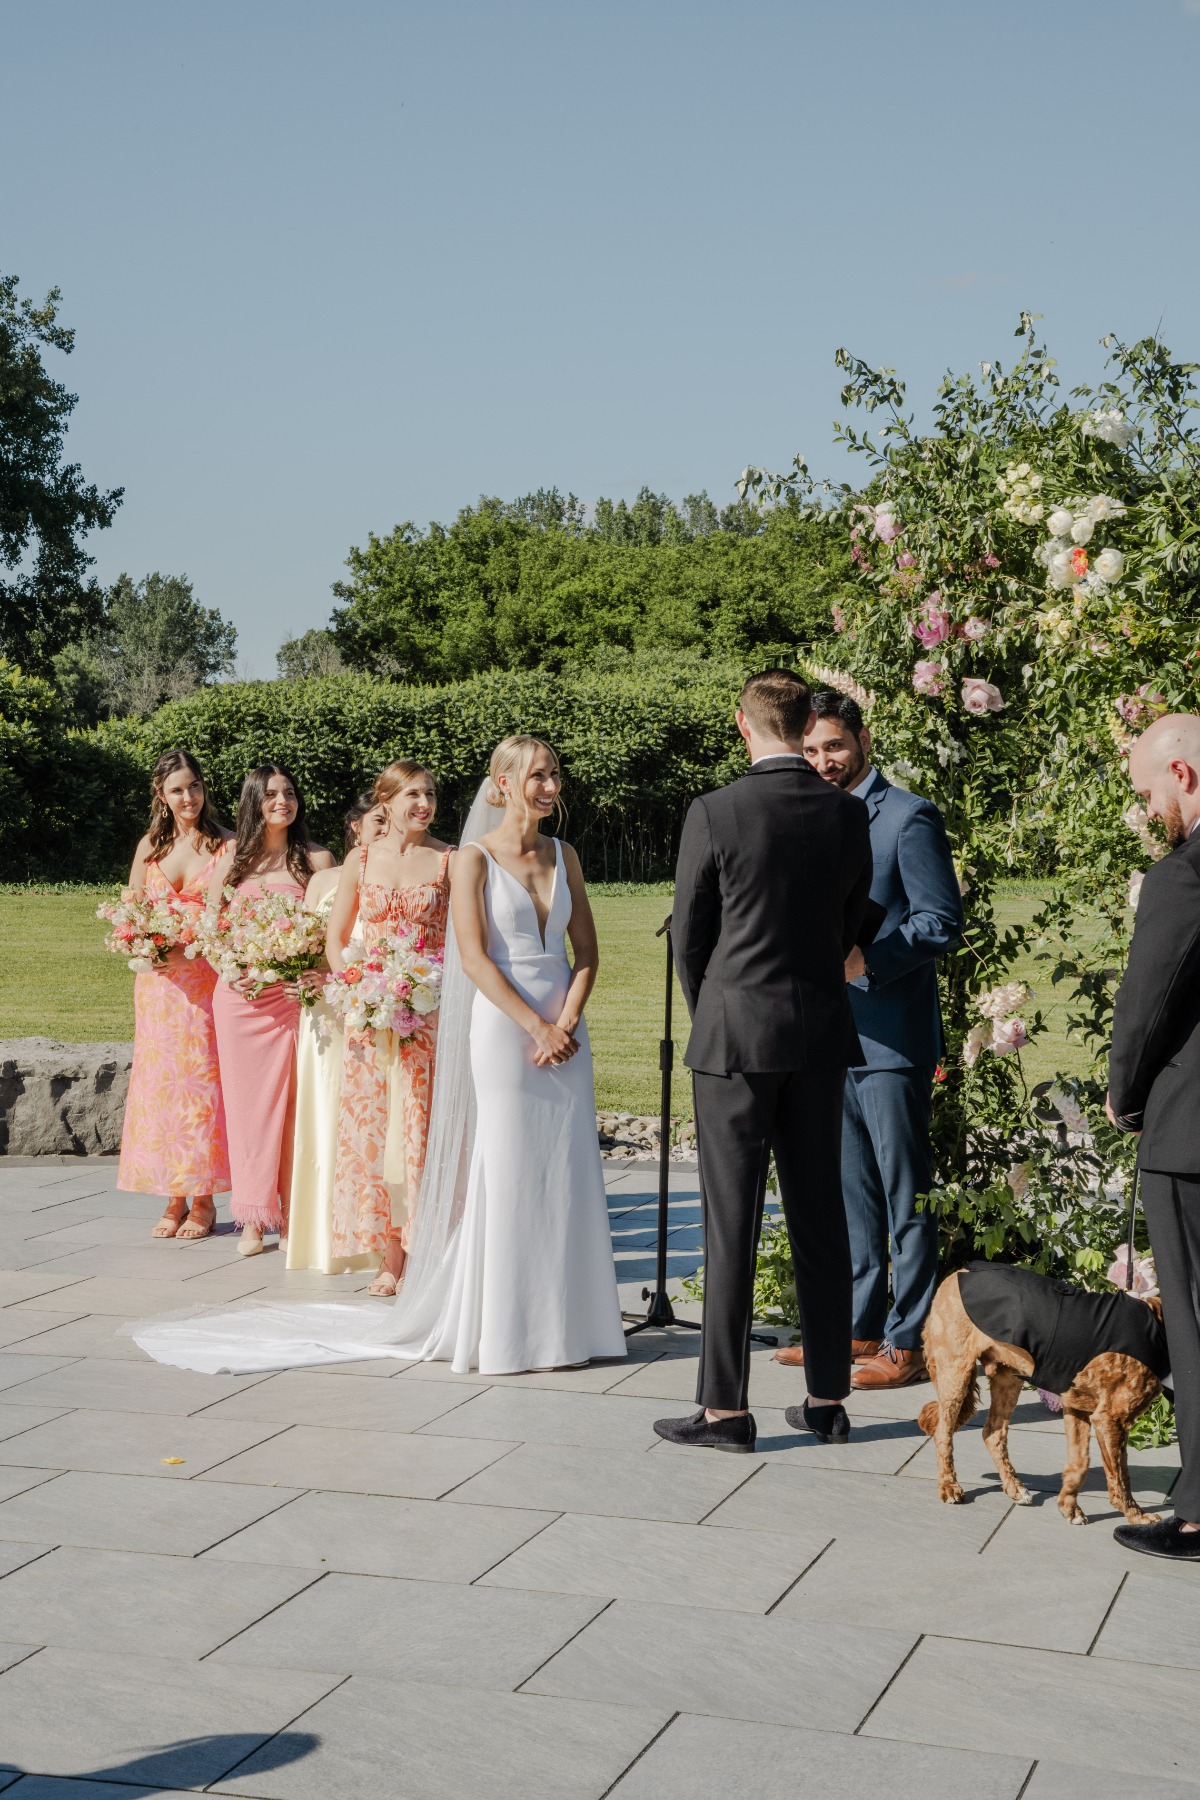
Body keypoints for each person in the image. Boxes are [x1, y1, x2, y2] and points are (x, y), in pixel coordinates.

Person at [126, 736, 626, 1377]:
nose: (551, 785)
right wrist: (367, 989)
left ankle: (561, 1307)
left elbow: (575, 948)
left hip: (484, 1018)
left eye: (555, 774)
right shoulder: (399, 862)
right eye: (538, 775)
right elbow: (364, 943)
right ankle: (430, 1276)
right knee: (410, 1145)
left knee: (510, 1155)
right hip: (420, 1017)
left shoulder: (479, 860)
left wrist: (563, 1018)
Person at [654, 670, 872, 1454]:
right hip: (818, 1035)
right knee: (820, 1219)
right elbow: (853, 920)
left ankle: (725, 1411)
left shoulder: (715, 810)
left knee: (730, 1222)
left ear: (744, 725)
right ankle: (826, 1399)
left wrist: (713, 1006)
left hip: (735, 1038)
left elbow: (691, 934)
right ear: (806, 720)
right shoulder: (849, 815)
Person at [777, 689, 963, 1390]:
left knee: (904, 1194)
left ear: (862, 739)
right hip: (824, 1036)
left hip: (889, 1036)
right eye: (812, 750)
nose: (824, 761)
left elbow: (942, 920)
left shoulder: (909, 816)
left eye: (835, 746)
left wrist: (869, 959)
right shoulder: (805, 817)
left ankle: (909, 1342)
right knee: (849, 1193)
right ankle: (856, 1328)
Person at [1107, 712, 1200, 1562]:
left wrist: (1122, 1094)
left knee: (1198, 1319)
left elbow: (1147, 1002)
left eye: (1150, 792)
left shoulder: (1187, 873)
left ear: (1187, 776)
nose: (1150, 811)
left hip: (1192, 1132)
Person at [327, 762, 454, 1295]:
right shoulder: (360, 860)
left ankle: (427, 1249)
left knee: (421, 1134)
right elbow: (336, 941)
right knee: (376, 1135)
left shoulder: (450, 860)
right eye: (412, 795)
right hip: (370, 1020)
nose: (423, 804)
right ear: (386, 800)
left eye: (429, 794)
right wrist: (361, 992)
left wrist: (426, 992)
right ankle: (389, 1252)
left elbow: (465, 942)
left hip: (429, 1017)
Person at [207, 765, 335, 1256]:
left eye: (290, 793)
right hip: (240, 1003)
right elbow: (212, 932)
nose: (283, 800)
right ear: (253, 801)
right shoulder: (232, 863)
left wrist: (318, 970)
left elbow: (338, 928)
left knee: (298, 1109)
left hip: (293, 1000)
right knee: (249, 1111)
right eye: (272, 794)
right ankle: (254, 1216)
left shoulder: (318, 860)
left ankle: (297, 1212)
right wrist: (229, 967)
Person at [117, 750, 233, 1239]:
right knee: (162, 1085)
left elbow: (229, 917)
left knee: (203, 1086)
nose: (189, 797)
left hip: (204, 980)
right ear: (161, 797)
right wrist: (140, 941)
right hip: (159, 988)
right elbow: (131, 908)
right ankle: (173, 1195)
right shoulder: (149, 847)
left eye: (195, 786)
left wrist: (193, 952)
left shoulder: (227, 846)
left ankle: (203, 1198)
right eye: (178, 790)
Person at [285, 793, 387, 1276]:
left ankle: (375, 1235)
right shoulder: (324, 879)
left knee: (368, 1123)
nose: (386, 829)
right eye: (377, 821)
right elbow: (310, 942)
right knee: (324, 1117)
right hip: (323, 1015)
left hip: (374, 1005)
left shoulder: (395, 874)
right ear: (355, 827)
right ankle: (323, 1236)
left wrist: (342, 978)